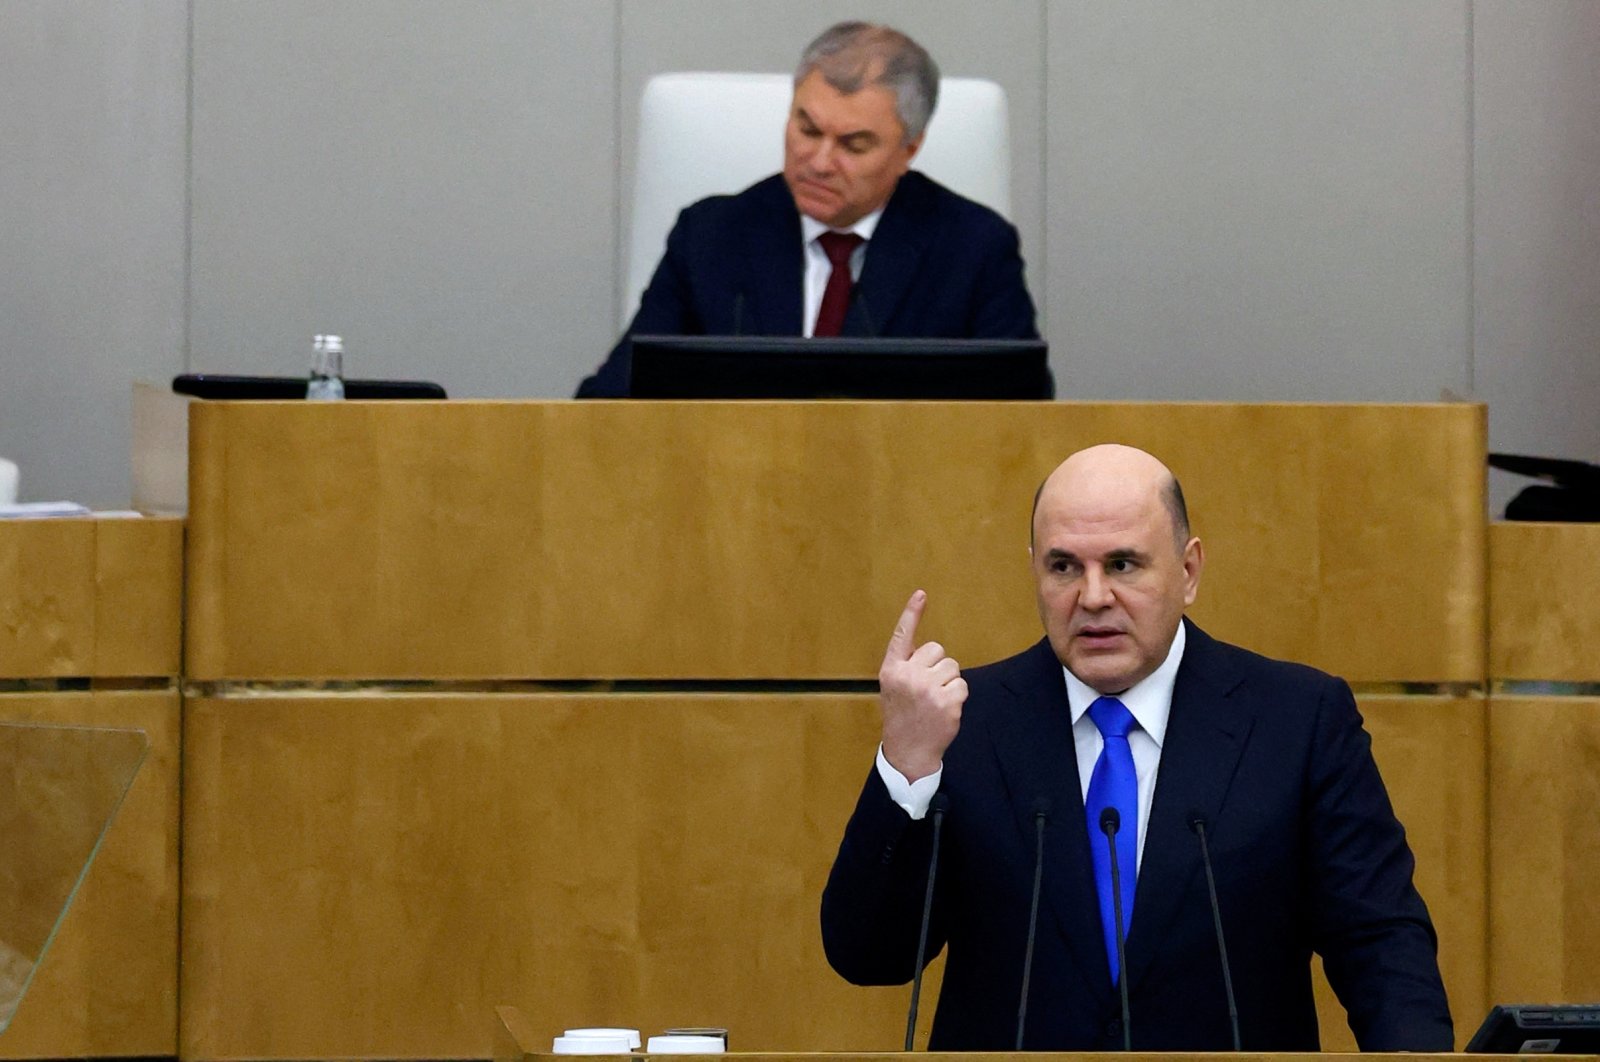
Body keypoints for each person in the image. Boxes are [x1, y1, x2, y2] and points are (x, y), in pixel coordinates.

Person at [820, 444, 1453, 1051]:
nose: (1093, 597)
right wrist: (906, 767)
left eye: (1123, 564)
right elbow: (868, 955)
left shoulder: (1296, 719)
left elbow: (1379, 943)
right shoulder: (965, 724)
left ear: (1188, 571)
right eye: (1064, 566)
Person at [575, 21, 1040, 398]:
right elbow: (611, 402)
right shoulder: (712, 236)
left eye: (853, 145)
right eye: (808, 129)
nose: (818, 163)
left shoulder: (975, 248)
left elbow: (1022, 417)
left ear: (909, 149)